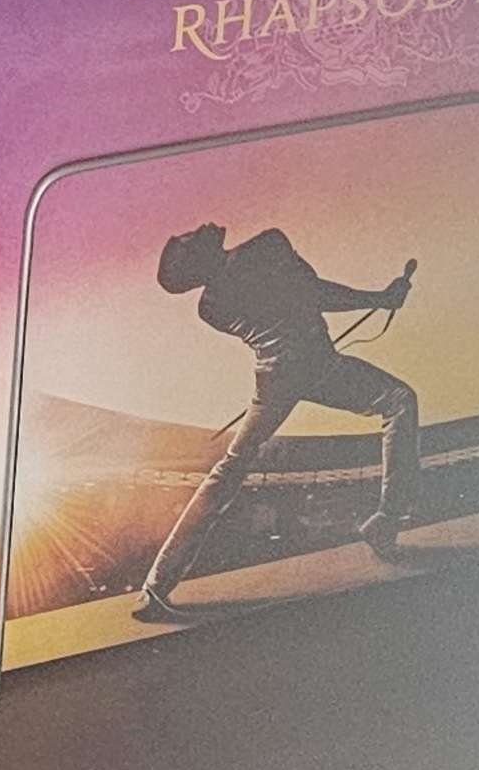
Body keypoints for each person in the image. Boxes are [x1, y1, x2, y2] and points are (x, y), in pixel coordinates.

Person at [134, 217, 420, 612]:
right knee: (399, 401)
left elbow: (296, 303)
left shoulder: (209, 308)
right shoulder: (268, 244)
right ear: (197, 259)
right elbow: (314, 295)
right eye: (187, 239)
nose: (196, 227)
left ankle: (157, 584)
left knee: (230, 468)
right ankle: (386, 521)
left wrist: (376, 299)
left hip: (275, 380)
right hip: (318, 368)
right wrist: (380, 298)